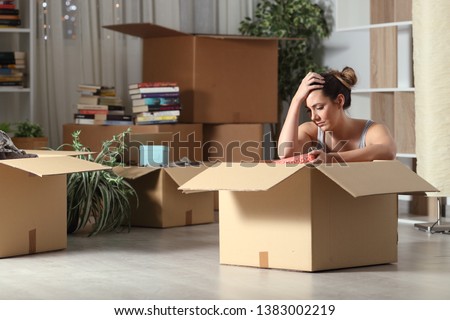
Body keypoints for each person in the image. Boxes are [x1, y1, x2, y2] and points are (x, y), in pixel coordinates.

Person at [277, 66, 396, 163]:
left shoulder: (372, 130)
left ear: (339, 101)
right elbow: (285, 153)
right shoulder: (311, 131)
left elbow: (388, 151)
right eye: (309, 110)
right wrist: (296, 100)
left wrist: (331, 158)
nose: (314, 117)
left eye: (319, 107)